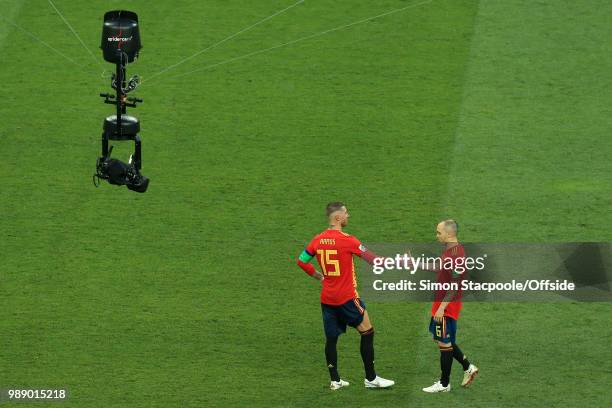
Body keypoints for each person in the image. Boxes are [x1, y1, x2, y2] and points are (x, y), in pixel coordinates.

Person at [296, 202, 395, 390]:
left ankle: (335, 380)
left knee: (331, 339)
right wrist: (400, 261)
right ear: (338, 218)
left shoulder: (317, 240)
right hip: (347, 298)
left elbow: (301, 261)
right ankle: (371, 378)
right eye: (346, 213)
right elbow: (375, 261)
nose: (348, 216)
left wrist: (318, 275)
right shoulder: (348, 240)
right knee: (368, 331)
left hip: (327, 298)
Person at [419, 219, 478, 392]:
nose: (437, 235)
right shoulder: (451, 251)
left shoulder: (457, 255)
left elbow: (454, 285)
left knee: (444, 344)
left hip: (447, 306)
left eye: (439, 232)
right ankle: (468, 367)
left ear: (449, 233)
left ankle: (444, 384)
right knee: (445, 340)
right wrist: (414, 264)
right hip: (442, 304)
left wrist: (441, 308)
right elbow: (439, 267)